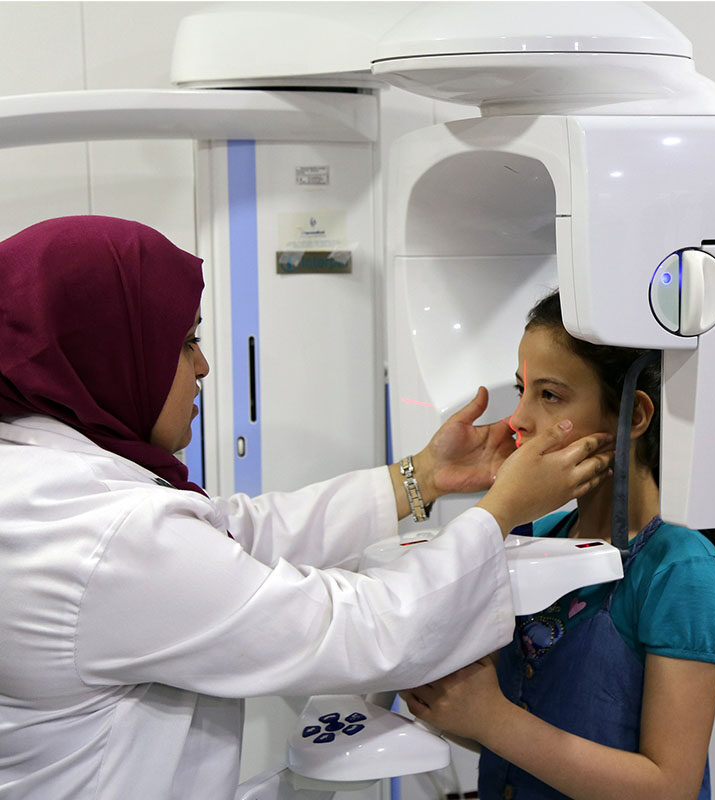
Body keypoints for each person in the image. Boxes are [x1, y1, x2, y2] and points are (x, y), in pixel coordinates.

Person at [0, 218, 615, 800]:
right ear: (107, 353)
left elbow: (238, 534)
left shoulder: (46, 482)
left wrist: (422, 477)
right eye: (186, 342)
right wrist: (500, 510)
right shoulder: (106, 536)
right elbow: (368, 629)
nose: (204, 365)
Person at [401, 290, 715, 800]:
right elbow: (519, 726)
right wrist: (446, 705)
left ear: (636, 416)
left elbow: (669, 787)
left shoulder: (679, 570)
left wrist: (493, 722)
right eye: (522, 391)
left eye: (550, 396)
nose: (519, 420)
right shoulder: (539, 538)